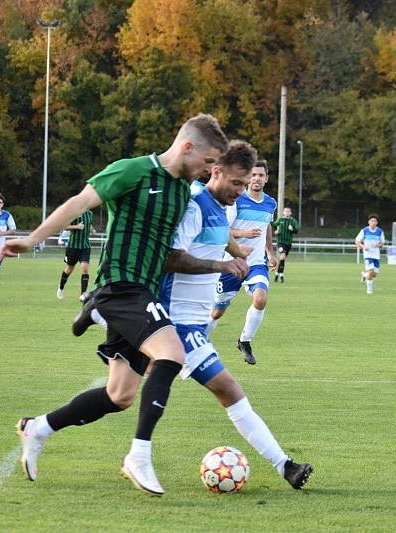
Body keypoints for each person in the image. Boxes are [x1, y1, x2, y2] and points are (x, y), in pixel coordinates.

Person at [1, 113, 233, 496]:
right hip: (123, 287)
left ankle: (37, 427)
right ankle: (138, 456)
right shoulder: (133, 171)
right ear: (187, 147)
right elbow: (79, 203)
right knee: (171, 355)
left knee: (119, 396)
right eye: (208, 163)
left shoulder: (180, 191)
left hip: (145, 293)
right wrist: (32, 239)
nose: (209, 171)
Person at [158, 140, 313, 488]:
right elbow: (171, 257)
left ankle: (285, 465)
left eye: (247, 183)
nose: (242, 191)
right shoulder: (196, 204)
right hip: (172, 322)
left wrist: (241, 252)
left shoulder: (216, 207)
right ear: (217, 172)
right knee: (119, 395)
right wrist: (222, 262)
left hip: (192, 323)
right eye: (238, 184)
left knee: (121, 394)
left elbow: (223, 235)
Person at [207, 159, 277, 365]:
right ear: (247, 178)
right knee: (217, 312)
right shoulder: (236, 200)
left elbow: (267, 228)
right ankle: (200, 338)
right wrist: (243, 233)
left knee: (261, 298)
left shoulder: (270, 203)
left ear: (266, 178)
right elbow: (223, 231)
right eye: (253, 175)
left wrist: (270, 253)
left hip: (255, 264)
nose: (256, 179)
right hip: (230, 264)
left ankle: (244, 340)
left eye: (260, 175)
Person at [57, 209, 96, 301]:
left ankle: (83, 295)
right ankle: (61, 287)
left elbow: (89, 224)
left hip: (85, 246)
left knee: (85, 269)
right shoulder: (75, 212)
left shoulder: (90, 213)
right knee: (69, 269)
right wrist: (77, 226)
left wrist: (92, 230)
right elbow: (65, 226)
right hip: (73, 247)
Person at [355, 215, 386, 295]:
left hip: (376, 255)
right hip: (368, 254)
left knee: (374, 274)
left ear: (377, 223)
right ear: (369, 222)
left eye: (375, 221)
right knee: (371, 271)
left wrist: (379, 245)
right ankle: (369, 290)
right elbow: (357, 241)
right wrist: (363, 246)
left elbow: (382, 243)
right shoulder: (364, 230)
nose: (373, 222)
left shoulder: (380, 231)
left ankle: (365, 275)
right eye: (372, 221)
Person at [272, 207, 298, 282]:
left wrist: (292, 229)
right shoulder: (280, 220)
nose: (287, 212)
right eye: (286, 211)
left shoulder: (293, 221)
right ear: (283, 212)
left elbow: (297, 229)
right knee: (282, 256)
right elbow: (274, 225)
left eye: (288, 211)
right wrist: (276, 231)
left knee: (282, 259)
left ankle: (277, 273)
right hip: (281, 242)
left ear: (290, 213)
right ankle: (281, 275)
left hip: (288, 243)